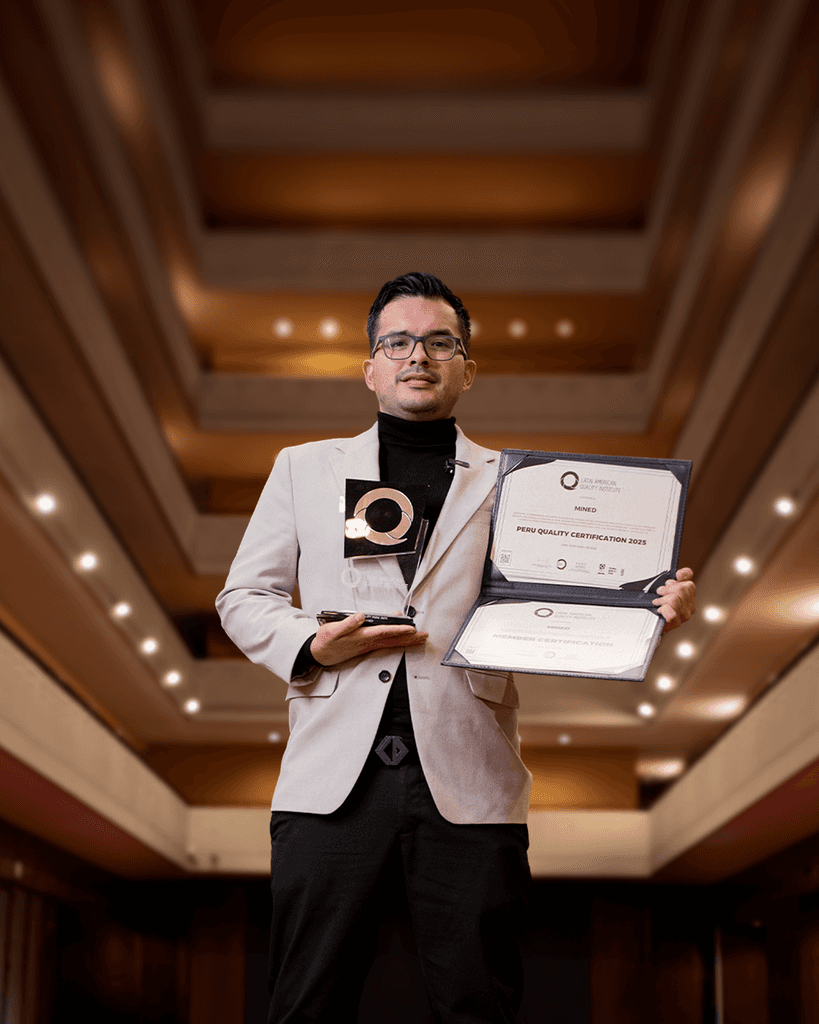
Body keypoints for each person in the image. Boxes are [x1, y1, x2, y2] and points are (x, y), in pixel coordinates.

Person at [216, 272, 697, 1024]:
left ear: (466, 369)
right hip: (329, 781)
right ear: (370, 367)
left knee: (480, 1005)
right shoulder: (303, 468)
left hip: (471, 778)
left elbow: (566, 595)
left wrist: (646, 605)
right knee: (306, 1003)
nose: (418, 356)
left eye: (440, 343)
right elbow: (243, 597)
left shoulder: (520, 485)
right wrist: (313, 644)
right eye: (398, 342)